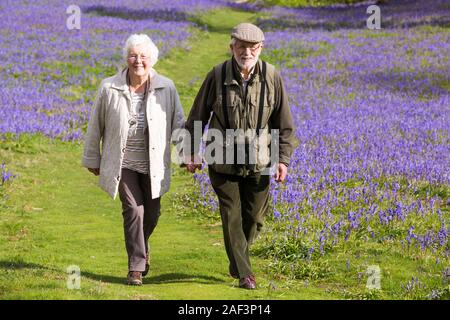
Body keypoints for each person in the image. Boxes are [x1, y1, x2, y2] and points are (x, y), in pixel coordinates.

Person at [184, 23, 295, 289]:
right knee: (231, 216)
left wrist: (283, 160)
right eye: (241, 46)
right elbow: (197, 116)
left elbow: (284, 124)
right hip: (222, 159)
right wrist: (189, 151)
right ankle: (246, 274)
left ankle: (237, 261)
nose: (247, 52)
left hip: (259, 159)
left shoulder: (272, 77)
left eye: (252, 47)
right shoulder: (217, 75)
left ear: (261, 48)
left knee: (255, 218)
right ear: (232, 47)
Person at [82, 34, 185, 286]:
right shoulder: (109, 87)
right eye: (133, 55)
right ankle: (136, 267)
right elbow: (96, 125)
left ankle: (142, 244)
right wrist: (92, 157)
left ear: (152, 59)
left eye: (143, 56)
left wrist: (188, 153)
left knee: (152, 213)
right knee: (134, 211)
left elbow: (179, 124)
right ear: (126, 58)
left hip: (154, 164)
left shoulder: (166, 87)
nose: (137, 60)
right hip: (123, 162)